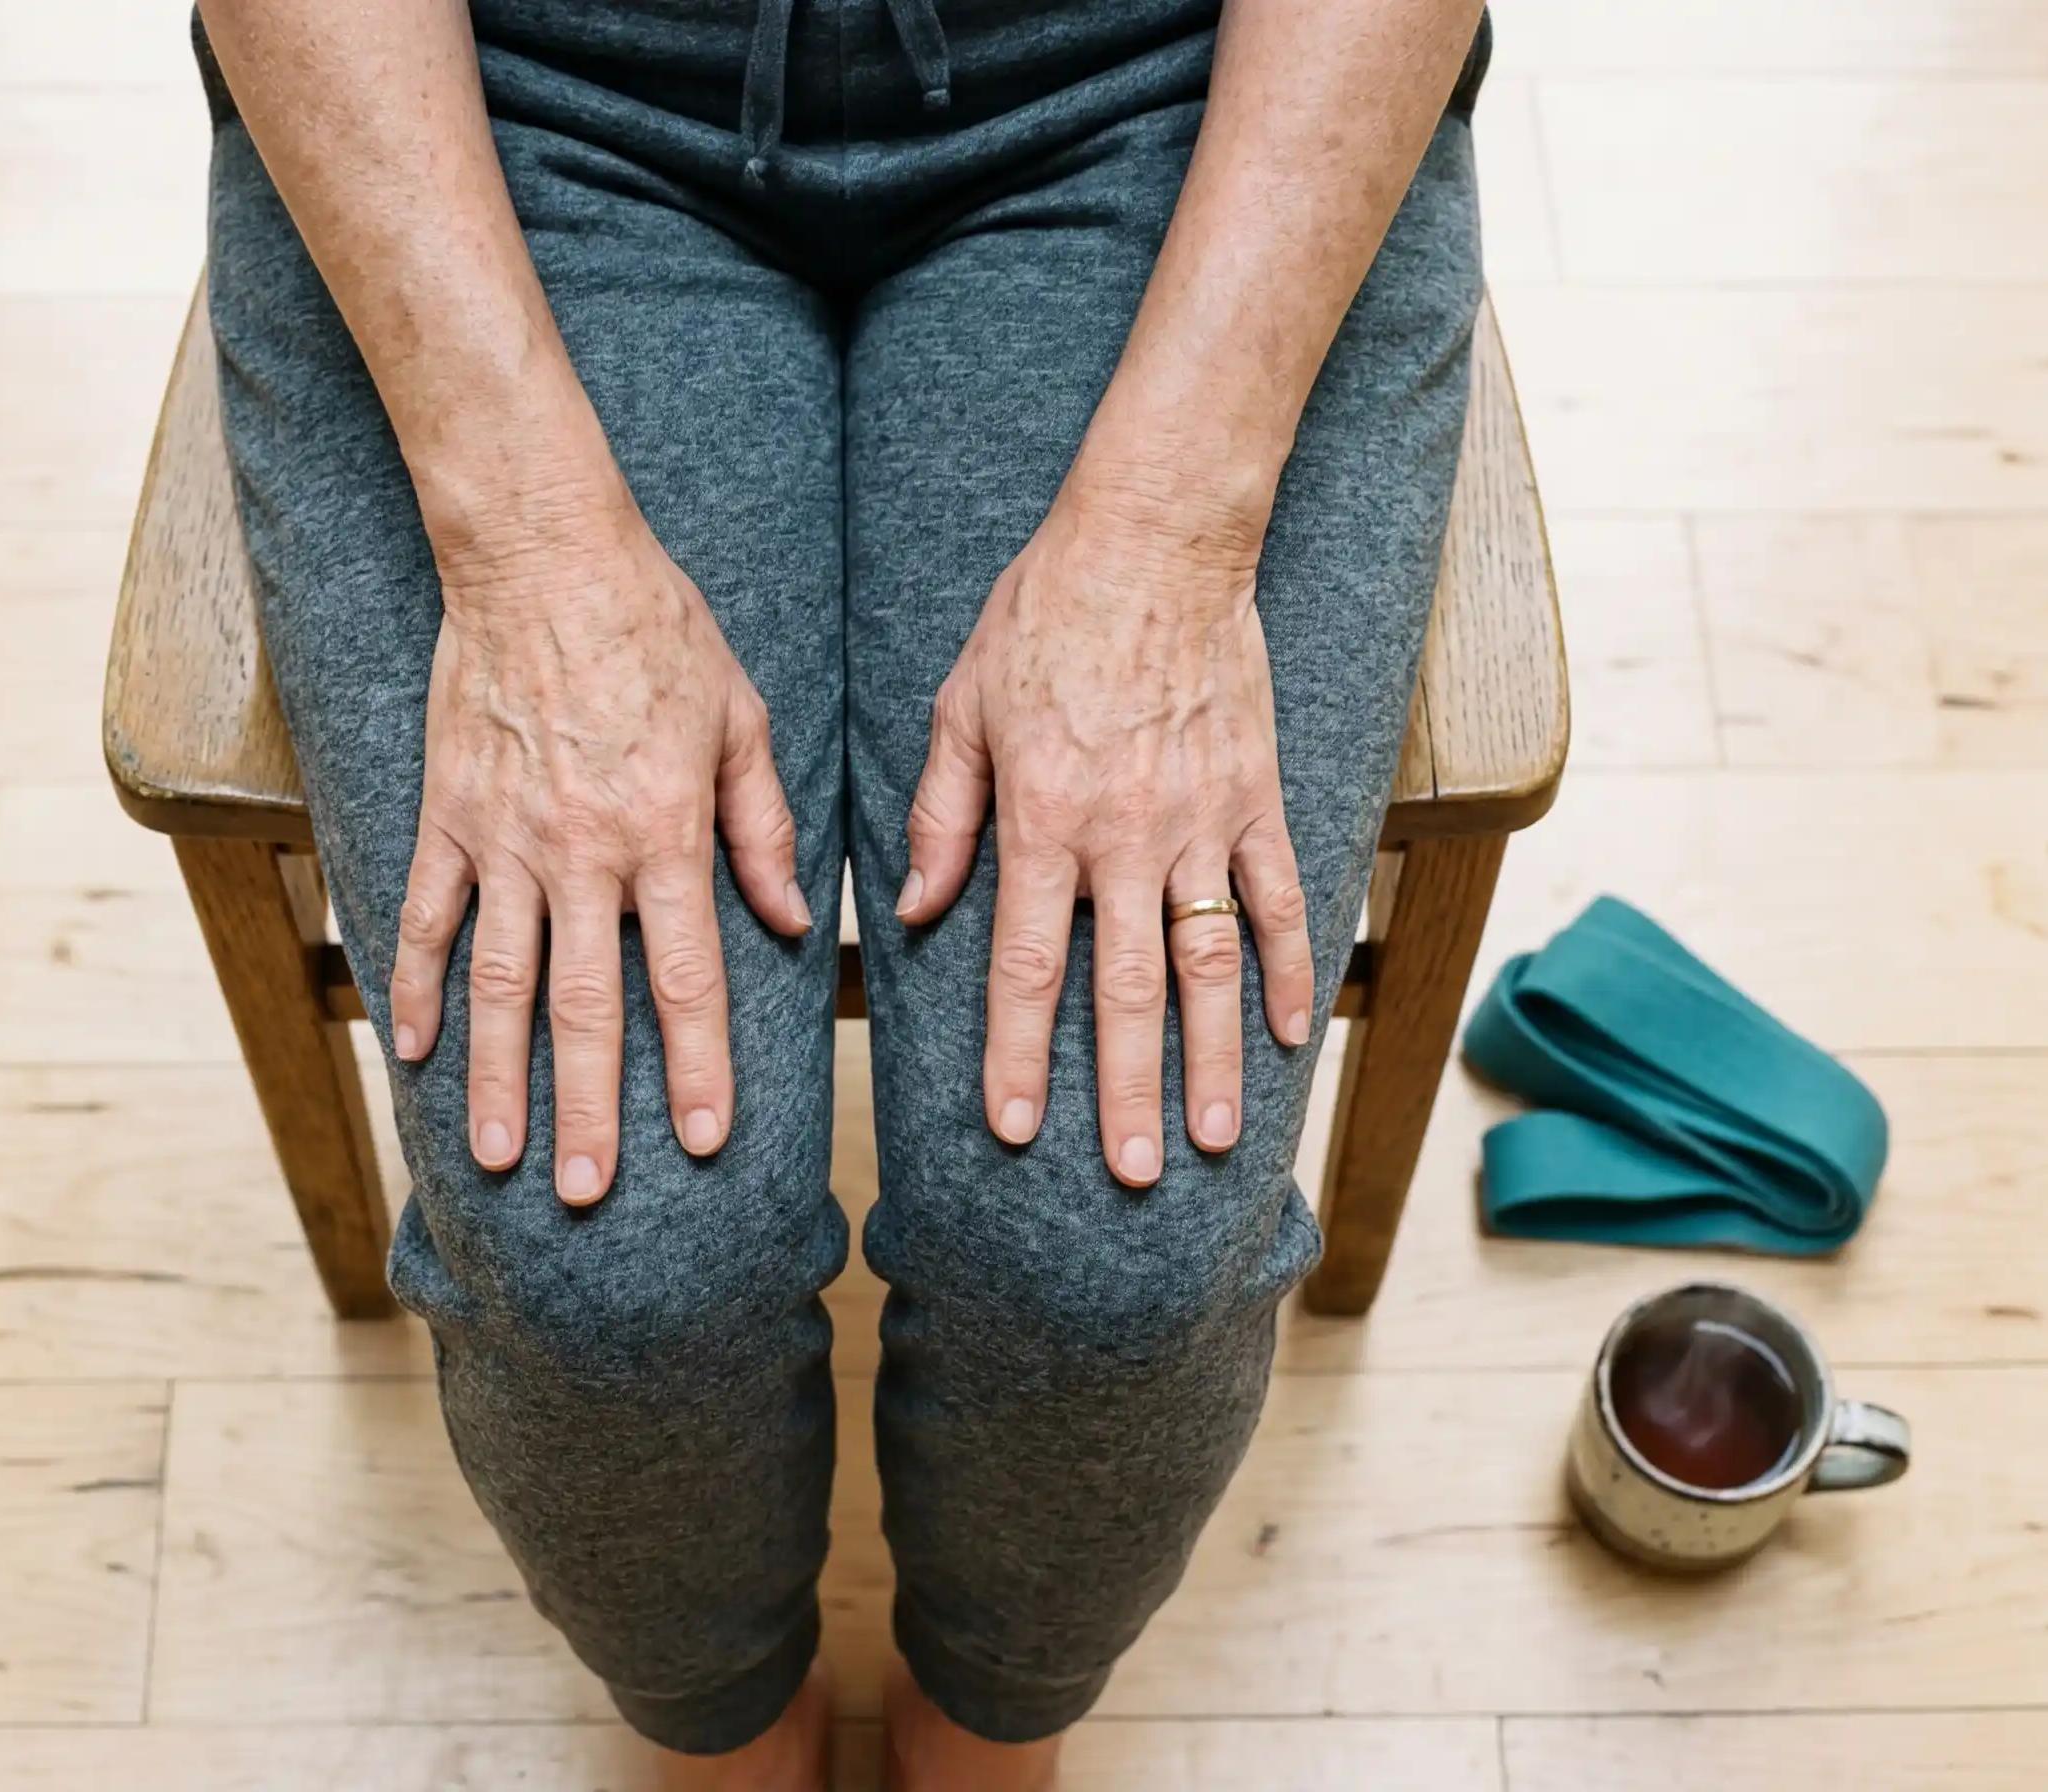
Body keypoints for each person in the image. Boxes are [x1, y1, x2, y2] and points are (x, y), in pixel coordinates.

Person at [191, 1, 1489, 1785]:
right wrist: (532, 552)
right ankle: (725, 1733)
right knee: (605, 1270)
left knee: (1113, 1249)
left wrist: (1167, 538)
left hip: (1172, 91)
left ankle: (990, 1726)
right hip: (505, 101)